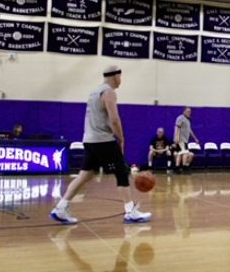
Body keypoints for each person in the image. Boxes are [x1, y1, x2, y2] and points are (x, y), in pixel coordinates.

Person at [50, 65, 151, 224]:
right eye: (120, 76)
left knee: (85, 175)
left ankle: (60, 207)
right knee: (121, 172)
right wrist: (121, 138)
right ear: (115, 76)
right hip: (102, 139)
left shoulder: (94, 92)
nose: (121, 80)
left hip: (89, 140)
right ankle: (130, 211)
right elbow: (114, 119)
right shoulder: (109, 92)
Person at [174, 107, 199, 173]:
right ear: (184, 111)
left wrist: (195, 138)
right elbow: (177, 127)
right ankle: (184, 167)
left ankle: (178, 168)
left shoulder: (188, 121)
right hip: (180, 139)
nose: (189, 113)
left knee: (180, 153)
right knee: (184, 153)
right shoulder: (180, 118)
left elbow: (189, 130)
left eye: (190, 112)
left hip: (185, 140)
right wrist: (177, 137)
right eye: (188, 111)